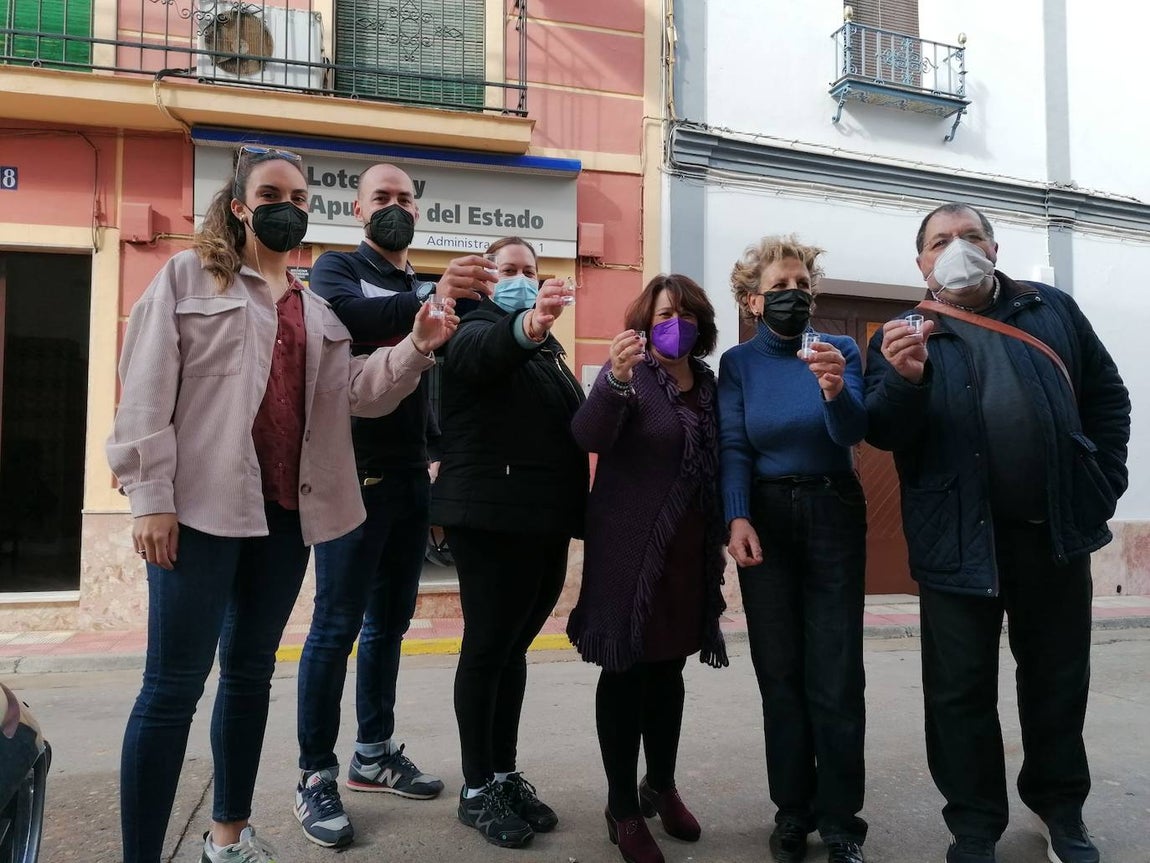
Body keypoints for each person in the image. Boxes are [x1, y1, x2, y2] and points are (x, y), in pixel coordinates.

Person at [107, 145, 456, 863]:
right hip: (196, 515)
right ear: (240, 204)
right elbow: (143, 389)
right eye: (272, 193)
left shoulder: (316, 308)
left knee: (248, 676)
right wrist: (149, 497)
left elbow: (357, 393)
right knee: (172, 689)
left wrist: (417, 346)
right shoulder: (186, 278)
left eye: (300, 198)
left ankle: (228, 837)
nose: (288, 207)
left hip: (282, 522)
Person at [864, 203, 1130, 863]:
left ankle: (1059, 809)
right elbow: (882, 431)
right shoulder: (902, 333)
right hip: (956, 541)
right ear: (922, 262)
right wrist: (903, 382)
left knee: (1057, 681)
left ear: (995, 246)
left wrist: (1104, 480)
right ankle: (975, 825)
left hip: (1054, 535)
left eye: (970, 235)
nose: (958, 247)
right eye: (941, 241)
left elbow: (1107, 394)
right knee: (959, 693)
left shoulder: (1052, 309)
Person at [293, 163, 495, 848]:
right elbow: (353, 319)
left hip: (410, 477)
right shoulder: (335, 272)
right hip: (351, 473)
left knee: (390, 623)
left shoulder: (418, 284)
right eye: (381, 197)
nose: (394, 207)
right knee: (335, 626)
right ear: (358, 208)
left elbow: (445, 373)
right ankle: (315, 773)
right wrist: (435, 300)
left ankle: (371, 753)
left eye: (405, 198)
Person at [431, 236, 589, 849]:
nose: (523, 278)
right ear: (486, 280)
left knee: (512, 650)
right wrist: (526, 323)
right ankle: (476, 790)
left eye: (531, 270)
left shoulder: (548, 351)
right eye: (509, 270)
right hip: (492, 520)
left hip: (540, 520)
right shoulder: (470, 327)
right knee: (487, 649)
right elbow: (483, 355)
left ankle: (502, 772)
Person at [567, 274, 729, 863]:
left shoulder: (708, 385)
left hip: (688, 553)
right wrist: (612, 379)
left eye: (686, 313)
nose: (675, 322)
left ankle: (660, 785)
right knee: (626, 671)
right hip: (629, 549)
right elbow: (586, 434)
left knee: (669, 671)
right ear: (645, 321)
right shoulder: (632, 376)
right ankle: (621, 806)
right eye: (664, 313)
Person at [719, 236, 868, 863]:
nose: (793, 295)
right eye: (779, 287)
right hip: (769, 517)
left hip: (834, 508)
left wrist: (836, 390)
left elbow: (854, 433)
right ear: (753, 300)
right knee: (779, 673)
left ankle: (840, 822)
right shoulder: (738, 363)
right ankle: (791, 811)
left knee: (835, 673)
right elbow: (734, 445)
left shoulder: (842, 350)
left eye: (801, 285)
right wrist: (737, 516)